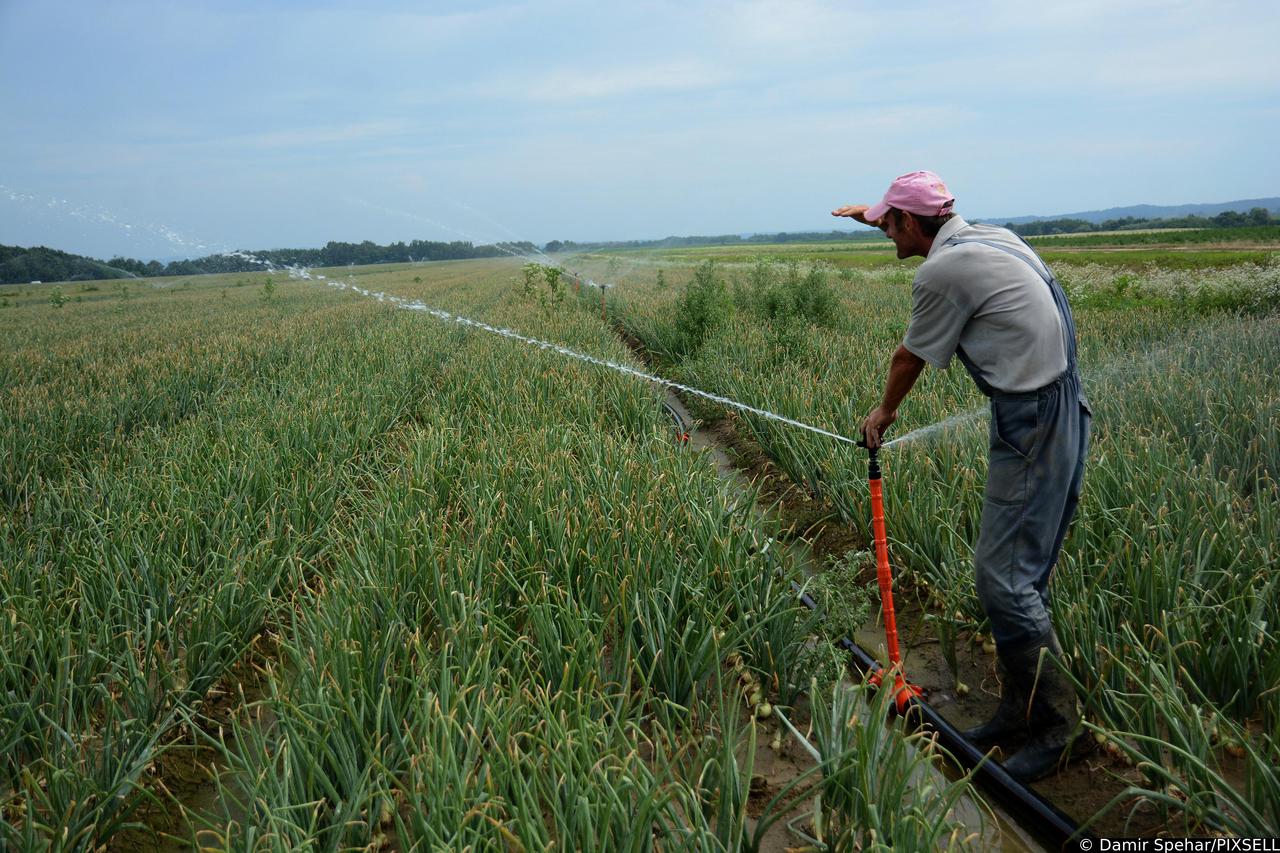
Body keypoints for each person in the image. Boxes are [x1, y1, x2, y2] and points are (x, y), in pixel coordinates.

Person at [832, 171, 1092, 782]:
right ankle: (1019, 708)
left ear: (914, 223)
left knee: (1002, 580)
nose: (884, 232)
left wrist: (882, 413)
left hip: (1031, 420)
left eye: (889, 223)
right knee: (1021, 575)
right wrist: (868, 215)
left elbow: (908, 356)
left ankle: (1061, 730)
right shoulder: (985, 237)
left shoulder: (939, 273)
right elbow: (911, 224)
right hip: (1060, 404)